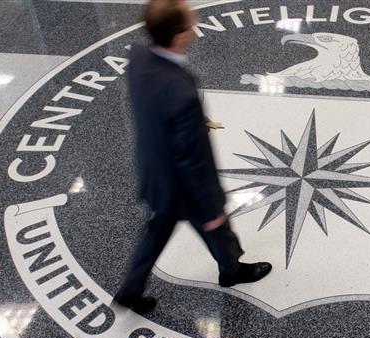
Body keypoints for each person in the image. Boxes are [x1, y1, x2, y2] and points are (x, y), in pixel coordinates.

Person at [114, 0, 272, 314]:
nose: (194, 28)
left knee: (156, 232)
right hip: (183, 185)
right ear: (179, 35)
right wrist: (211, 204)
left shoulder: (139, 58)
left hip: (154, 171)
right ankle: (231, 271)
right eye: (190, 23)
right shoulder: (180, 92)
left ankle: (130, 290)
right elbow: (193, 158)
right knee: (216, 226)